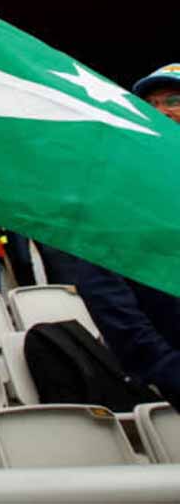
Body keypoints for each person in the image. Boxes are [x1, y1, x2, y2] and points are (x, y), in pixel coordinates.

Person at [71, 63, 180, 410]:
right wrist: (164, 366)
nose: (161, 111)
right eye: (150, 104)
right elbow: (103, 287)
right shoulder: (117, 186)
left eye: (173, 101)